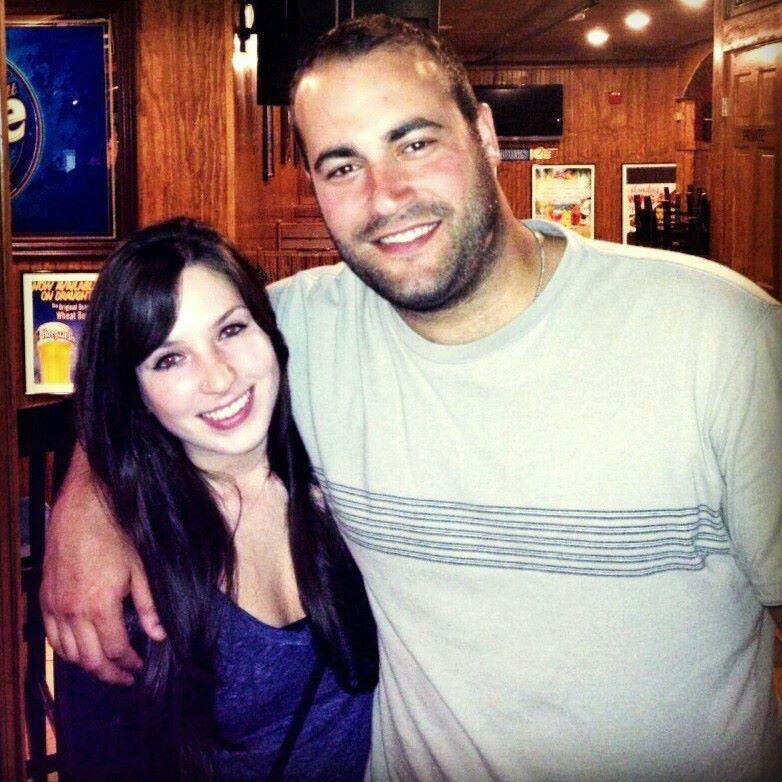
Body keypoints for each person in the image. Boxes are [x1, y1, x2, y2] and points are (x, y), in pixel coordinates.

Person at [43, 14, 781, 782]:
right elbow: (155, 372)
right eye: (342, 166)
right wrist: (87, 505)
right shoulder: (296, 330)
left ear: (485, 135)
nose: (385, 195)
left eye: (415, 143)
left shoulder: (720, 337)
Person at [58, 218, 376, 780]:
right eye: (169, 359)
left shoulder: (345, 464)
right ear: (135, 393)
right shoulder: (118, 583)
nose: (220, 377)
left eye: (230, 330)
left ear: (269, 329)